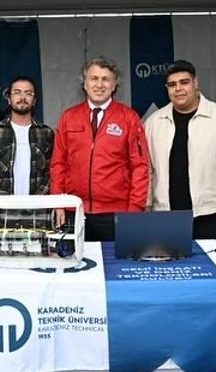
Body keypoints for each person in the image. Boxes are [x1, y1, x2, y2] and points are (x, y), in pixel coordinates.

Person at [49, 57, 149, 242]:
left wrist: (134, 210)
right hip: (74, 210)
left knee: (114, 260)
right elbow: (58, 164)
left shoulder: (129, 118)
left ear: (114, 85)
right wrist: (58, 202)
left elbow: (139, 167)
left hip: (115, 214)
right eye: (94, 78)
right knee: (74, 259)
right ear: (84, 84)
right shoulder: (68, 117)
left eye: (106, 79)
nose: (99, 85)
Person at [145, 60, 216, 241]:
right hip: (166, 215)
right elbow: (147, 170)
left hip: (211, 215)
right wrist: (147, 206)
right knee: (168, 261)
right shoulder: (154, 122)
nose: (178, 89)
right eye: (172, 85)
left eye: (184, 82)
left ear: (195, 83)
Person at [0, 75, 53, 196]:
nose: (22, 97)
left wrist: (37, 199)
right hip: (4, 205)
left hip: (38, 205)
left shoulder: (46, 133)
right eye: (17, 92)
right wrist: (8, 200)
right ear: (9, 99)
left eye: (28, 93)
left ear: (34, 101)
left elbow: (51, 172)